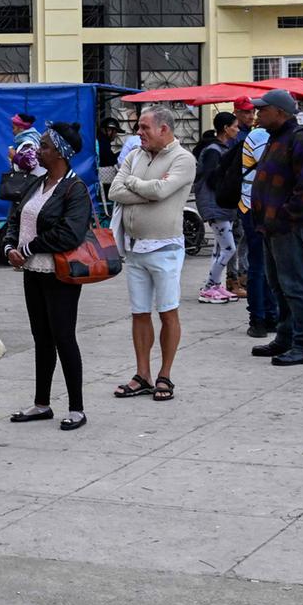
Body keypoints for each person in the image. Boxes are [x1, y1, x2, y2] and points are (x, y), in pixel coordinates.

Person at [3, 124, 93, 431]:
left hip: (60, 274)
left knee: (64, 337)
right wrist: (9, 247)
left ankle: (77, 408)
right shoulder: (36, 184)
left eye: (43, 146)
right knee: (41, 338)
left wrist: (28, 247)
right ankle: (41, 404)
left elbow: (70, 233)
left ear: (60, 152)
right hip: (32, 272)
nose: (36, 151)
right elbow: (15, 218)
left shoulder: (74, 189)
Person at [110, 108, 196, 402]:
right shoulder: (135, 156)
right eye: (138, 127)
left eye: (145, 127)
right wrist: (146, 189)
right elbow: (114, 191)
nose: (139, 132)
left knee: (168, 312)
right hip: (134, 248)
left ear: (164, 129)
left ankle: (165, 375)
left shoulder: (183, 159)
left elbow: (162, 191)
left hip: (165, 248)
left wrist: (136, 185)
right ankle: (142, 374)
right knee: (139, 312)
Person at [249, 90, 303, 367]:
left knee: (296, 286)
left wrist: (285, 216)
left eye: (263, 110)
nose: (258, 114)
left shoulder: (299, 140)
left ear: (280, 112)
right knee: (279, 285)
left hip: (288, 227)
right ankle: (286, 336)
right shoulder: (276, 138)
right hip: (271, 226)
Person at [234, 98, 276, 339]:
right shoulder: (260, 135)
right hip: (253, 207)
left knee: (269, 265)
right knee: (259, 265)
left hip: (266, 207)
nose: (254, 115)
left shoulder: (267, 135)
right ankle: (259, 318)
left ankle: (271, 315)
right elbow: (270, 165)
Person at [194, 111, 241, 305]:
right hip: (216, 205)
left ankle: (215, 286)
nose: (237, 130)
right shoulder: (214, 150)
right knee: (229, 248)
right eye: (235, 126)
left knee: (219, 249)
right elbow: (211, 177)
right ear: (225, 128)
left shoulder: (220, 148)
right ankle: (208, 288)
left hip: (221, 205)